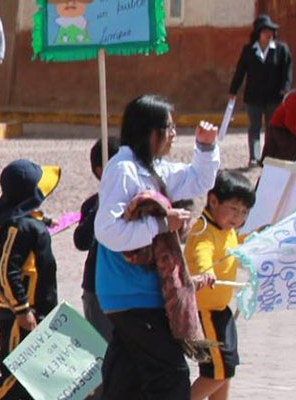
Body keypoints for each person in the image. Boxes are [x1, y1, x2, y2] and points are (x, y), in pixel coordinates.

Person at [95, 95, 221, 399]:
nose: (174, 134)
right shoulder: (123, 169)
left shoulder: (152, 168)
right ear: (149, 131)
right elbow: (107, 231)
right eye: (168, 127)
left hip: (135, 294)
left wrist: (205, 147)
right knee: (170, 376)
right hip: (131, 291)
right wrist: (164, 225)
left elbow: (197, 181)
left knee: (126, 377)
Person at [0, 159, 62, 400]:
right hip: (20, 317)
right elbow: (5, 271)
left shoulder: (28, 223)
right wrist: (22, 309)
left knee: (32, 376)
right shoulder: (17, 227)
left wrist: (44, 222)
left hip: (37, 313)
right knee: (17, 377)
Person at [187, 174, 252, 400]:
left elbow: (238, 243)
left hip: (220, 311)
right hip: (205, 312)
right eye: (234, 209)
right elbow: (201, 251)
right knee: (217, 372)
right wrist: (206, 270)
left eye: (244, 212)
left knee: (225, 370)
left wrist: (259, 237)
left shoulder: (227, 230)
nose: (239, 217)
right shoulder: (203, 229)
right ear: (213, 201)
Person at [227, 15, 291, 165]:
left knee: (272, 128)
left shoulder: (281, 50)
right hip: (253, 97)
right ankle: (254, 157)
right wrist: (233, 90)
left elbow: (287, 71)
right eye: (265, 32)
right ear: (258, 33)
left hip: (274, 96)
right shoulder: (249, 50)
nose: (269, 35)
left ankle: (269, 156)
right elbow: (240, 71)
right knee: (254, 128)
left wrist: (285, 88)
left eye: (271, 32)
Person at [75, 139, 121, 344]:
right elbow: (81, 241)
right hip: (98, 289)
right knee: (104, 352)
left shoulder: (138, 199)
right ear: (101, 170)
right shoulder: (93, 204)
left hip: (130, 289)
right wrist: (101, 207)